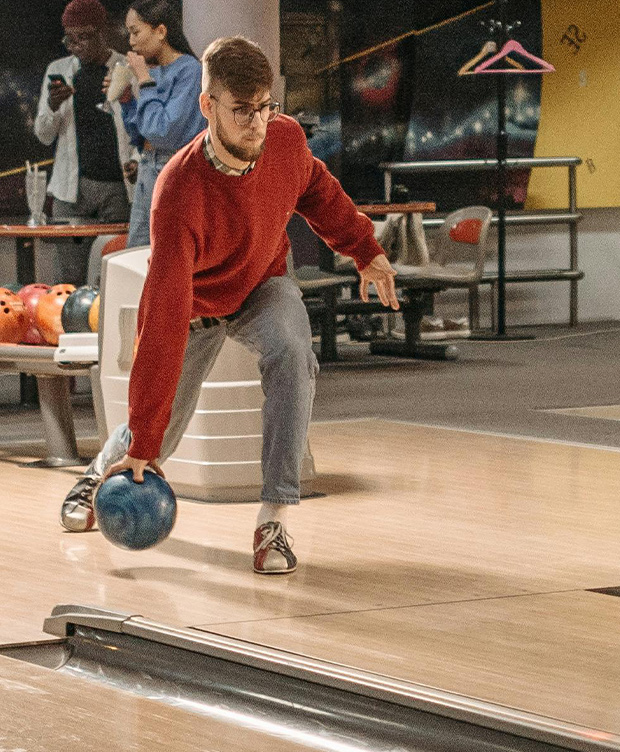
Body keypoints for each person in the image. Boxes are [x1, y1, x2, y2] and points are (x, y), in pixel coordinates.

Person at [58, 36, 401, 575]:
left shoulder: (286, 141)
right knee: (157, 439)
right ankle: (100, 471)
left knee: (292, 350)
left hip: (263, 285)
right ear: (208, 106)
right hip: (194, 306)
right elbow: (163, 318)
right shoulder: (178, 191)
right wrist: (145, 441)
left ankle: (274, 521)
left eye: (264, 107)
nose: (257, 123)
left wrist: (365, 250)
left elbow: (317, 190)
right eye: (241, 110)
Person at [33, 0, 135, 286]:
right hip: (71, 190)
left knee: (113, 274)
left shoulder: (125, 67)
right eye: (70, 38)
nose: (76, 45)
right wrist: (53, 107)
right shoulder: (59, 69)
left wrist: (136, 161)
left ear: (102, 31)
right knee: (69, 279)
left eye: (85, 36)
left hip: (118, 189)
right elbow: (43, 135)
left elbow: (139, 128)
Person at [116, 0, 204, 247]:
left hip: (174, 170)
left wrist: (143, 80)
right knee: (137, 254)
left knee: (167, 253)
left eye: (135, 32)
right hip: (148, 166)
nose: (131, 42)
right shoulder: (154, 72)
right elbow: (140, 134)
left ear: (161, 31)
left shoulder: (190, 71)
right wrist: (126, 101)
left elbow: (164, 132)